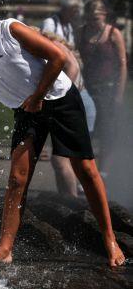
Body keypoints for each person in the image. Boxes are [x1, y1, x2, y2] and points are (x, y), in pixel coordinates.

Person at [0, 0, 125, 267]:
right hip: (27, 108)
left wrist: (39, 96)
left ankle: (110, 239)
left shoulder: (11, 30)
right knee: (17, 178)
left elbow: (59, 57)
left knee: (85, 169)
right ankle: (5, 249)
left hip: (59, 98)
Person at [35, 29, 96, 197]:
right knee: (66, 158)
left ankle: (72, 200)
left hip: (76, 102)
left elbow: (72, 66)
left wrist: (60, 95)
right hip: (80, 101)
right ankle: (66, 198)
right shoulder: (57, 45)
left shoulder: (53, 45)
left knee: (62, 159)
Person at [77, 0, 128, 176]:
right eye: (91, 17)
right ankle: (87, 169)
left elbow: (123, 64)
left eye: (97, 17)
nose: (94, 21)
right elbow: (76, 56)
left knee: (106, 129)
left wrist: (119, 94)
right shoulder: (82, 32)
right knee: (86, 130)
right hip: (86, 88)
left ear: (104, 15)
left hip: (108, 88)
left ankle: (103, 170)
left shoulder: (114, 33)